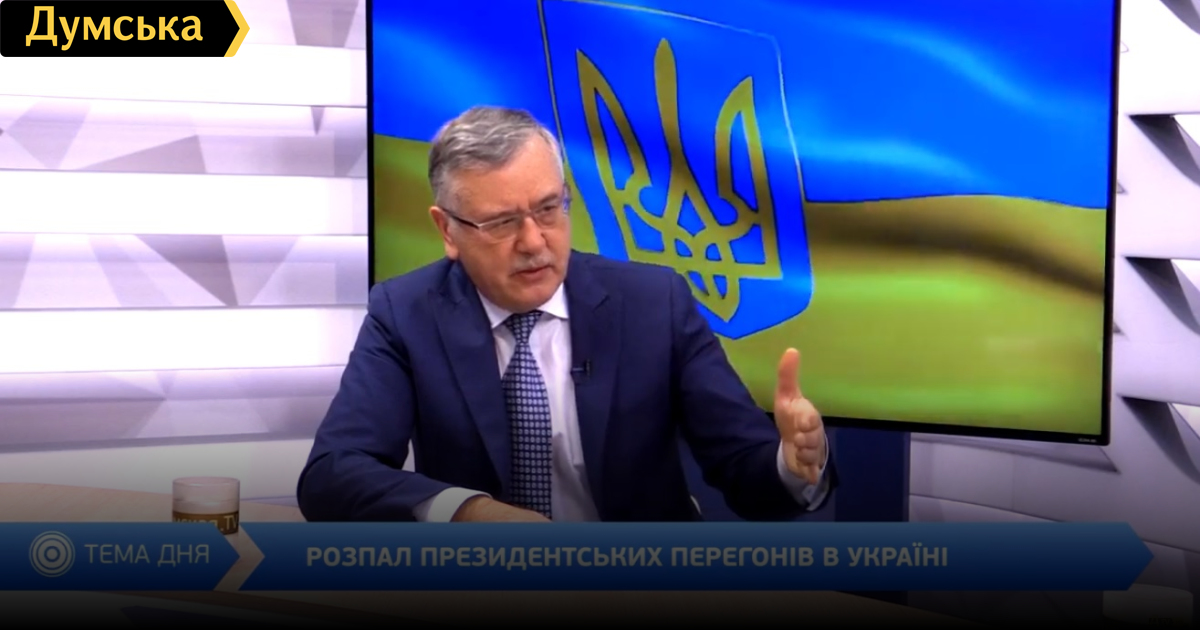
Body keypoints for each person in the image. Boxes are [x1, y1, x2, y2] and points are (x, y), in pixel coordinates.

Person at [297, 106, 835, 522]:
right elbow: (333, 476)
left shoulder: (655, 303)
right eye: (502, 222)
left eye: (549, 208)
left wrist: (791, 465)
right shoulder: (405, 313)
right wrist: (466, 511)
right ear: (448, 230)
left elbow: (743, 468)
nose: (534, 242)